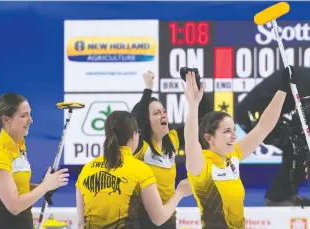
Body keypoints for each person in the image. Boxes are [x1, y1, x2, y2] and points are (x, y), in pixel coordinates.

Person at [183, 66, 291, 228]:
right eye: (227, 131)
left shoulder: (234, 156)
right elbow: (191, 139)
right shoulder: (200, 165)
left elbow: (263, 128)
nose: (234, 135)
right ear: (208, 138)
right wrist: (193, 105)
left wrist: (283, 89)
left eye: (234, 129)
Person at [75, 110, 192, 229]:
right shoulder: (141, 169)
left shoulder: (86, 169)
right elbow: (159, 218)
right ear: (134, 135)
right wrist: (179, 193)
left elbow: (80, 224)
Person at [131, 71, 211, 229]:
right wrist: (148, 88)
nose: (163, 115)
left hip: (168, 216)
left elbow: (204, 120)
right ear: (147, 121)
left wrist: (197, 90)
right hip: (142, 219)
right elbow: (136, 121)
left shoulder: (172, 140)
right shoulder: (139, 146)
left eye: (164, 111)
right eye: (156, 113)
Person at [0, 93, 69, 229]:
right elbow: (14, 206)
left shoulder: (20, 146)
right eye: (23, 116)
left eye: (30, 114)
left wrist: (45, 185)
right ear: (6, 120)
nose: (30, 120)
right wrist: (44, 187)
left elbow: (20, 189)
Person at [234, 66, 310, 206]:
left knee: (297, 147)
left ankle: (283, 194)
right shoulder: (307, 83)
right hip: (252, 115)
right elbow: (303, 121)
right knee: (298, 147)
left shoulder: (305, 78)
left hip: (265, 113)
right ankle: (278, 197)